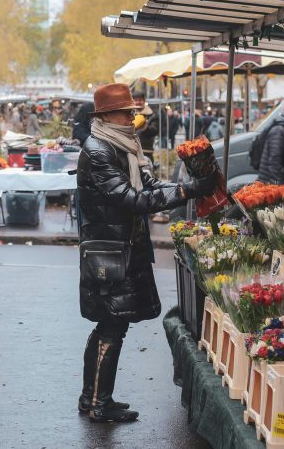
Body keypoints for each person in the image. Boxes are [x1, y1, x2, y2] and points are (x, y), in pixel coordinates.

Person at [75, 83, 218, 423]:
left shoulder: (124, 145)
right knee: (110, 326)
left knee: (111, 326)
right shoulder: (98, 150)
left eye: (132, 111)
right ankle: (98, 403)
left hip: (120, 247)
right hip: (109, 252)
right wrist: (187, 190)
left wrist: (187, 186)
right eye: (126, 112)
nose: (132, 116)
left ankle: (93, 397)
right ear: (107, 116)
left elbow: (149, 187)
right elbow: (132, 200)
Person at [131, 91, 158, 161]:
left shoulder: (152, 115)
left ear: (144, 101)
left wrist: (145, 128)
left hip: (146, 151)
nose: (138, 102)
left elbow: (155, 131)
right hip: (131, 149)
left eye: (140, 100)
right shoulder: (129, 114)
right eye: (136, 100)